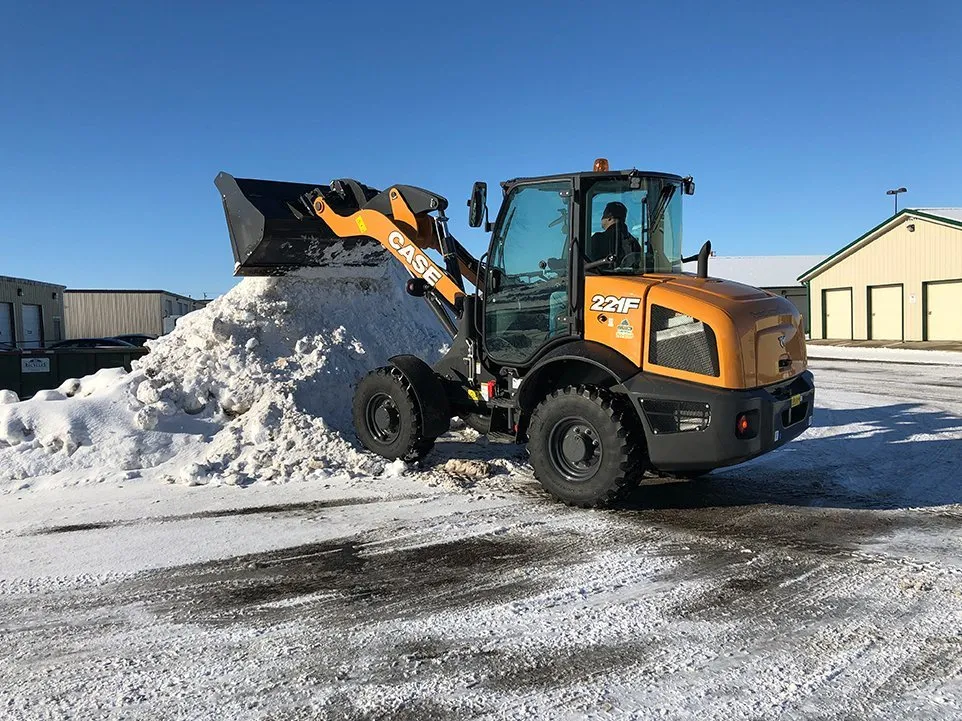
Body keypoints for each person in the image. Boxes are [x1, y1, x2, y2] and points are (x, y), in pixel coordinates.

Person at [586, 201, 642, 267]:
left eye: (603, 215)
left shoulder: (597, 239)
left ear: (609, 217)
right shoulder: (635, 243)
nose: (601, 219)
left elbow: (588, 266)